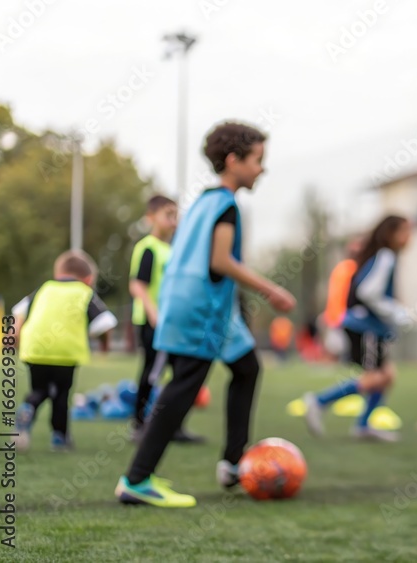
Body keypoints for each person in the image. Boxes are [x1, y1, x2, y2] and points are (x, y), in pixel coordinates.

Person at [115, 121, 296, 508]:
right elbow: (220, 261)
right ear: (234, 161)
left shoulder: (202, 201)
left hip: (197, 306)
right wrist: (271, 289)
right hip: (201, 310)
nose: (262, 169)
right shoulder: (226, 206)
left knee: (247, 368)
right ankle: (136, 479)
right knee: (183, 388)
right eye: (257, 160)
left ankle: (232, 463)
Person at [304, 216, 412, 441]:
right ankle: (318, 401)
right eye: (405, 231)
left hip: (369, 326)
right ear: (391, 234)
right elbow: (368, 293)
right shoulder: (386, 256)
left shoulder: (380, 256)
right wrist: (397, 312)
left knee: (387, 375)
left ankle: (363, 425)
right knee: (376, 378)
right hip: (366, 327)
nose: (409, 237)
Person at [12, 250, 118, 451]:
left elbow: (18, 314)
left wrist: (16, 338)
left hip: (36, 349)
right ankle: (59, 437)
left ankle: (29, 406)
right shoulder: (85, 293)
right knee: (61, 395)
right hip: (66, 353)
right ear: (88, 279)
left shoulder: (44, 288)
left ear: (58, 273)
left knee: (40, 389)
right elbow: (105, 323)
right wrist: (105, 345)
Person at [129, 194, 204, 444]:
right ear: (151, 218)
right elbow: (138, 286)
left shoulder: (171, 250)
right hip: (153, 324)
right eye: (168, 215)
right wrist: (154, 314)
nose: (173, 221)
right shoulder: (148, 248)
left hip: (173, 323)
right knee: (152, 372)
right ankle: (139, 425)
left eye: (176, 215)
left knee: (180, 374)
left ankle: (174, 426)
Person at [321, 236, 365, 361]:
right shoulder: (351, 268)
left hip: (339, 316)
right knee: (338, 351)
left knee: (339, 351)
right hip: (344, 316)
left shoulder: (342, 267)